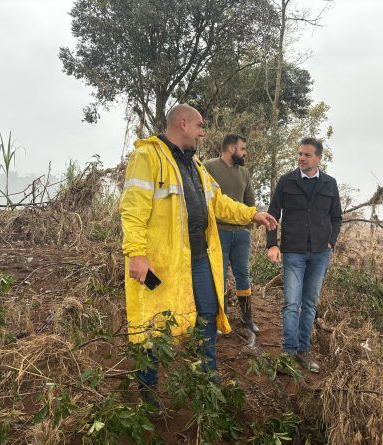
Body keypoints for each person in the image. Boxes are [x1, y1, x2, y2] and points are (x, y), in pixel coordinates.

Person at [120, 104, 277, 404]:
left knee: (207, 311)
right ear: (182, 123)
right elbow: (132, 211)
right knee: (152, 325)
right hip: (162, 261)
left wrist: (252, 214)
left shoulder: (197, 166)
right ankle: (148, 391)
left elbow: (219, 203)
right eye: (200, 126)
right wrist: (137, 254)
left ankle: (207, 375)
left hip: (199, 257)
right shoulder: (147, 157)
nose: (203, 132)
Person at [266, 137, 342, 373]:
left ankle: (303, 351)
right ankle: (288, 354)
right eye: (299, 154)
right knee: (291, 303)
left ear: (319, 158)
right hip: (293, 252)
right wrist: (272, 245)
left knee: (309, 305)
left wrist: (331, 241)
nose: (301, 158)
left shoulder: (329, 184)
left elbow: (336, 216)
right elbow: (272, 214)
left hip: (320, 254)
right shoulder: (286, 181)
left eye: (307, 155)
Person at [204, 135, 259, 334]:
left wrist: (247, 228)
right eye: (243, 148)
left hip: (241, 234)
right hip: (219, 232)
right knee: (219, 276)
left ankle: (247, 319)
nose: (245, 153)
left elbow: (250, 201)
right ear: (231, 148)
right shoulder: (208, 167)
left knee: (243, 275)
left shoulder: (244, 172)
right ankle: (221, 319)